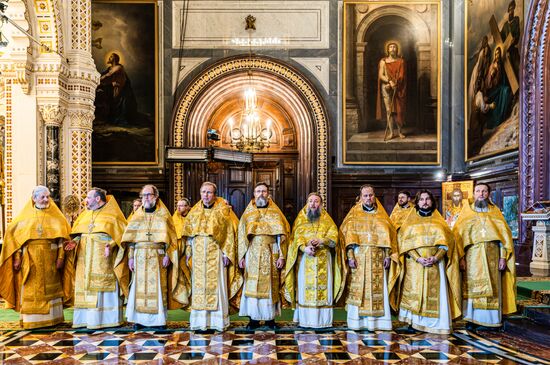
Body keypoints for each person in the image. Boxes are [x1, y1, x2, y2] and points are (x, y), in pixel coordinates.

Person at [0, 186, 71, 329]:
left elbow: (62, 240)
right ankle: (32, 320)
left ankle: (53, 319)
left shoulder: (57, 217)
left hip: (51, 259)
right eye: (43, 197)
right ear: (34, 199)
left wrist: (61, 258)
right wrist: (17, 258)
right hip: (30, 259)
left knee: (51, 289)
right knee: (30, 287)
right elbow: (17, 241)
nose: (46, 200)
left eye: (48, 197)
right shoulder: (24, 217)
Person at [394, 190, 461, 334]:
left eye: (427, 199)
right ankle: (414, 323)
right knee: (415, 292)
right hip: (415, 264)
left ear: (432, 201)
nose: (425, 202)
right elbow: (404, 244)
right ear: (417, 203)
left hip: (436, 264)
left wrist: (436, 257)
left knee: (436, 294)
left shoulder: (440, 222)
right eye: (421, 199)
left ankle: (437, 324)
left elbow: (447, 243)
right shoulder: (409, 223)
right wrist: (418, 258)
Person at [453, 183, 516, 329]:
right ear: (473, 193)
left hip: (492, 255)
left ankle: (491, 320)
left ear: (489, 194)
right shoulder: (466, 213)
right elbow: (458, 237)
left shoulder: (495, 212)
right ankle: (471, 319)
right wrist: (461, 258)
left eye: (484, 191)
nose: (481, 194)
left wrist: (503, 257)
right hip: (472, 256)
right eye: (478, 191)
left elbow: (503, 238)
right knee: (471, 287)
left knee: (493, 286)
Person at [63, 188, 128, 329]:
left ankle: (105, 319)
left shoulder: (113, 215)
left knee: (101, 287)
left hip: (103, 260)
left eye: (88, 197)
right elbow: (80, 233)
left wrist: (110, 245)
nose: (85, 200)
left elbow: (121, 238)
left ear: (97, 199)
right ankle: (84, 320)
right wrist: (75, 241)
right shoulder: (85, 215)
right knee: (85, 288)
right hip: (84, 260)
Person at [181, 182, 241, 332]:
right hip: (199, 256)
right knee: (199, 288)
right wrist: (189, 253)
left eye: (209, 192)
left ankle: (217, 322)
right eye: (203, 192)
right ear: (200, 193)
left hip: (216, 255)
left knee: (217, 287)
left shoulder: (222, 212)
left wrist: (227, 253)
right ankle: (200, 323)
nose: (206, 195)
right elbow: (188, 236)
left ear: (215, 195)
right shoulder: (193, 212)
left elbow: (229, 234)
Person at [122, 184, 184, 329]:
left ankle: (158, 321)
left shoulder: (164, 215)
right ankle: (139, 320)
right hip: (140, 256)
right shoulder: (136, 216)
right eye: (143, 195)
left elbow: (171, 238)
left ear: (156, 197)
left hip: (157, 256)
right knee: (139, 287)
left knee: (157, 287)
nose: (146, 198)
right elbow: (130, 240)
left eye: (149, 195)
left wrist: (168, 254)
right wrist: (130, 257)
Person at [340, 185, 398, 331]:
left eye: (370, 195)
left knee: (377, 290)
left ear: (374, 196)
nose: (368, 198)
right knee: (359, 289)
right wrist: (350, 256)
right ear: (360, 197)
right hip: (359, 257)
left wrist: (388, 256)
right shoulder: (353, 215)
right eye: (365, 196)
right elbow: (346, 237)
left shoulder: (382, 215)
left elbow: (389, 237)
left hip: (378, 257)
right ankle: (356, 323)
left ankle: (379, 323)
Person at [284, 193, 342, 328]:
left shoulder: (327, 220)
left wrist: (322, 240)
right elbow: (294, 241)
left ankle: (323, 322)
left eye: (316, 201)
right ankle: (305, 320)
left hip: (323, 259)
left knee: (324, 289)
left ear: (321, 204)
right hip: (306, 260)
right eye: (310, 201)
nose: (313, 204)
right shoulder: (300, 220)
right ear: (307, 203)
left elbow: (335, 239)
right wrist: (305, 248)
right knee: (306, 289)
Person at [238, 182, 290, 329]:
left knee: (271, 287)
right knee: (252, 286)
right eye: (258, 191)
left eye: (264, 191)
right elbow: (241, 236)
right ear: (254, 194)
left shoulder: (276, 212)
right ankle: (253, 320)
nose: (261, 194)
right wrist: (241, 257)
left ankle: (270, 319)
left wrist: (282, 256)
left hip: (271, 252)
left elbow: (282, 235)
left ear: (268, 194)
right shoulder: (248, 213)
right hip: (252, 253)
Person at [96, 52, 137, 126]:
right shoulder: (109, 68)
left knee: (119, 106)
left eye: (111, 57)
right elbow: (104, 75)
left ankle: (118, 120)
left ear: (115, 59)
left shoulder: (118, 68)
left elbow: (108, 76)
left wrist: (98, 79)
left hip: (121, 90)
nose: (109, 58)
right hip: (113, 89)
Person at [376, 41, 406, 141]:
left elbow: (401, 75)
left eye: (394, 47)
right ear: (387, 49)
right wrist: (389, 82)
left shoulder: (401, 61)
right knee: (389, 110)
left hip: (398, 87)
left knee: (399, 110)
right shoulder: (383, 61)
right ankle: (392, 133)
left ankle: (400, 132)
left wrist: (395, 84)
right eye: (390, 47)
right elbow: (381, 75)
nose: (392, 48)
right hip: (386, 88)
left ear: (397, 49)